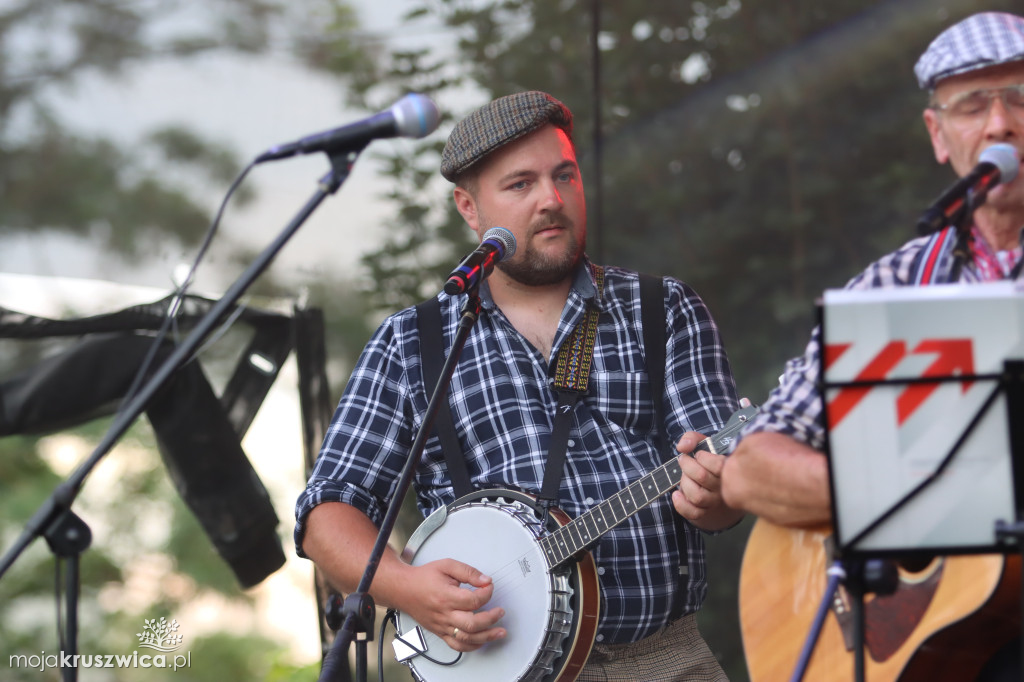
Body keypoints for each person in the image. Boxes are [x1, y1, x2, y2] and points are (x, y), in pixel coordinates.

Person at [295, 90, 743, 680]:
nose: (551, 200)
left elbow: (726, 482)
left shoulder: (663, 309)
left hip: (664, 659)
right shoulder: (413, 344)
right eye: (520, 185)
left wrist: (715, 496)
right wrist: (408, 588)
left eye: (564, 176)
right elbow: (327, 513)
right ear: (469, 209)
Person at [721, 11, 1024, 682]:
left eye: (1020, 98)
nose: (1001, 124)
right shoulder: (895, 284)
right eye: (973, 105)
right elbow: (749, 468)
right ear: (939, 135)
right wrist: (895, 495)